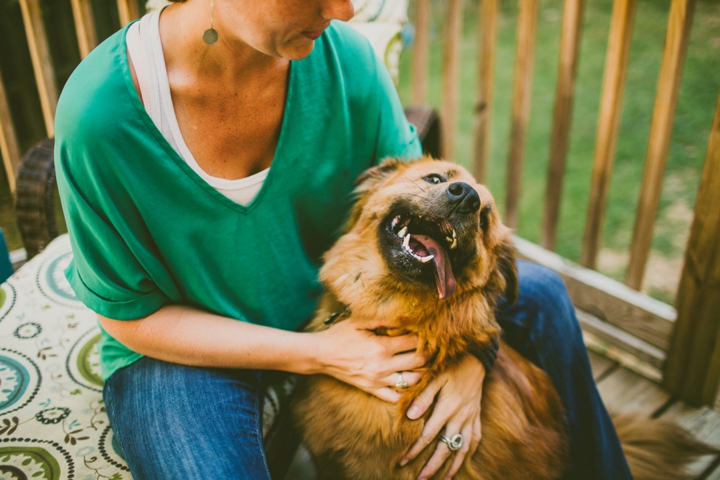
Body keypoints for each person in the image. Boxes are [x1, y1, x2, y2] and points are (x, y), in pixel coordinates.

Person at [54, 1, 633, 479]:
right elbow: (129, 317)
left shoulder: (346, 58)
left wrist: (476, 359)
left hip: (330, 303)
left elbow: (419, 200)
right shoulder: (101, 118)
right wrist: (318, 353)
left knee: (546, 295)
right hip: (190, 347)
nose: (345, 9)